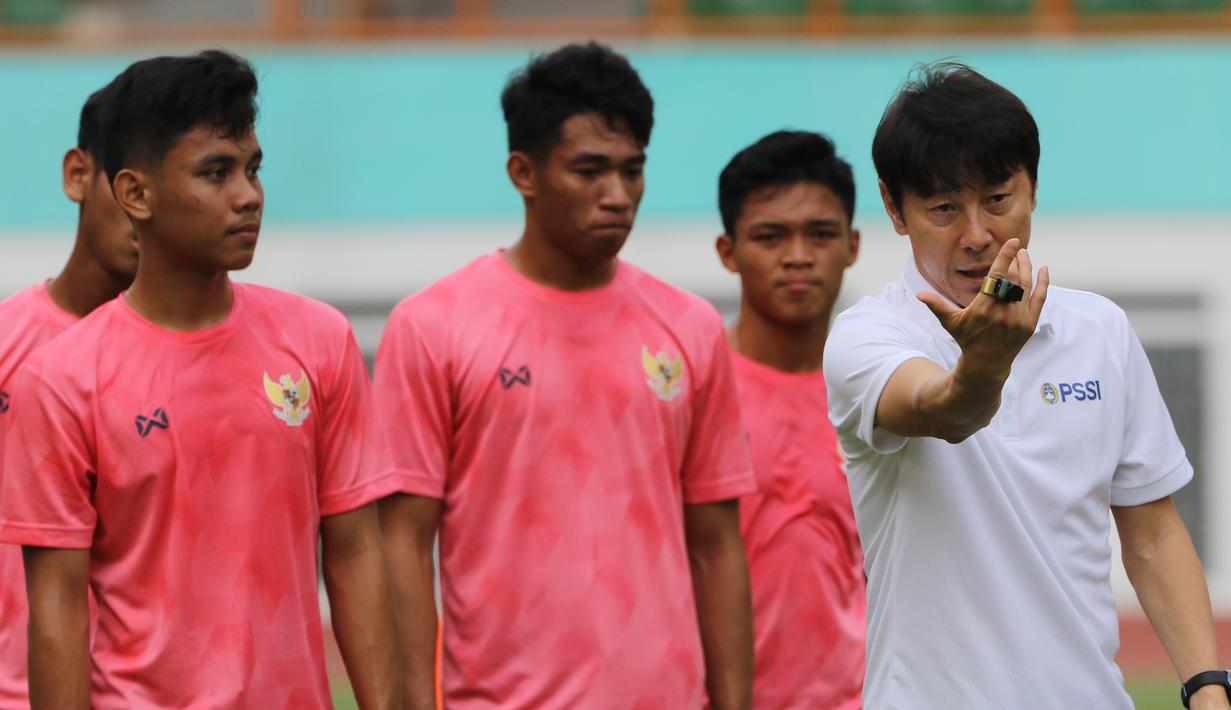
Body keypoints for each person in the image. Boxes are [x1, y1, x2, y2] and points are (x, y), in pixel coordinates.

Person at [0, 50, 404, 709]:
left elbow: (357, 553)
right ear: (134, 193)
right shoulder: (61, 379)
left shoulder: (318, 340)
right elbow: (57, 608)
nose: (248, 195)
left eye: (252, 168)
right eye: (215, 173)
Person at [824, 61, 1230, 709]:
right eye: (941, 209)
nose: (977, 235)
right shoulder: (866, 338)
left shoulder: (1100, 331)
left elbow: (1151, 533)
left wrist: (1207, 689)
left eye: (996, 200)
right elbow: (943, 409)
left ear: (1033, 189)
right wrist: (986, 364)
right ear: (893, 210)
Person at [375, 41, 756, 710]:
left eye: (631, 171)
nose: (617, 195)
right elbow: (402, 545)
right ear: (523, 172)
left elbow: (716, 544)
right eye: (589, 170)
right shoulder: (431, 326)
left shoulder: (690, 327)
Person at [714, 130, 864, 710]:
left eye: (820, 234)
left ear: (851, 245)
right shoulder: (691, 391)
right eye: (770, 236)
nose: (798, 255)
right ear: (728, 251)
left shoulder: (886, 397)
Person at [0, 78, 136, 709]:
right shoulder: (9, 342)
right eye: (134, 185)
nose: (149, 209)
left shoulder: (221, 364)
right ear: (80, 174)